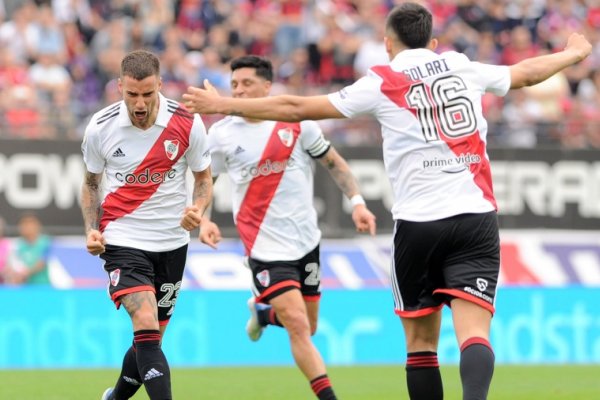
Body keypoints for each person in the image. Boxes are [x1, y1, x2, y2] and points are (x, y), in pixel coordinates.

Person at [182, 3, 592, 399]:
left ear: (388, 44)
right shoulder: (460, 65)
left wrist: (222, 104)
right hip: (476, 217)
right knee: (475, 335)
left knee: (420, 344)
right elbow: (522, 74)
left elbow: (295, 107)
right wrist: (571, 53)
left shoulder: (381, 80)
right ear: (432, 42)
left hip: (419, 224)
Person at [199, 55, 376, 400]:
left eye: (247, 84)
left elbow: (333, 162)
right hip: (263, 246)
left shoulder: (297, 123)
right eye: (234, 85)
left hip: (306, 240)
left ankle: (263, 315)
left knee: (309, 326)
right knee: (296, 323)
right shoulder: (220, 134)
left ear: (268, 86)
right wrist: (203, 218)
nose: (240, 91)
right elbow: (207, 181)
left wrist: (357, 202)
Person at [80, 49, 212, 400]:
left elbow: (203, 179)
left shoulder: (186, 122)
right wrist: (91, 229)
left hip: (172, 242)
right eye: (132, 94)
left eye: (148, 94)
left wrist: (197, 209)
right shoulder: (101, 126)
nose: (140, 104)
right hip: (122, 237)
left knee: (150, 340)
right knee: (144, 320)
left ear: (160, 86)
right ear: (120, 86)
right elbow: (92, 184)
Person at [4, 212, 52, 285]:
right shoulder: (16, 245)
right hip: (23, 288)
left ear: (37, 225)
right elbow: (12, 264)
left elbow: (43, 262)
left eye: (30, 223)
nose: (27, 227)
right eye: (24, 224)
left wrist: (25, 273)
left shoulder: (47, 242)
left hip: (43, 287)